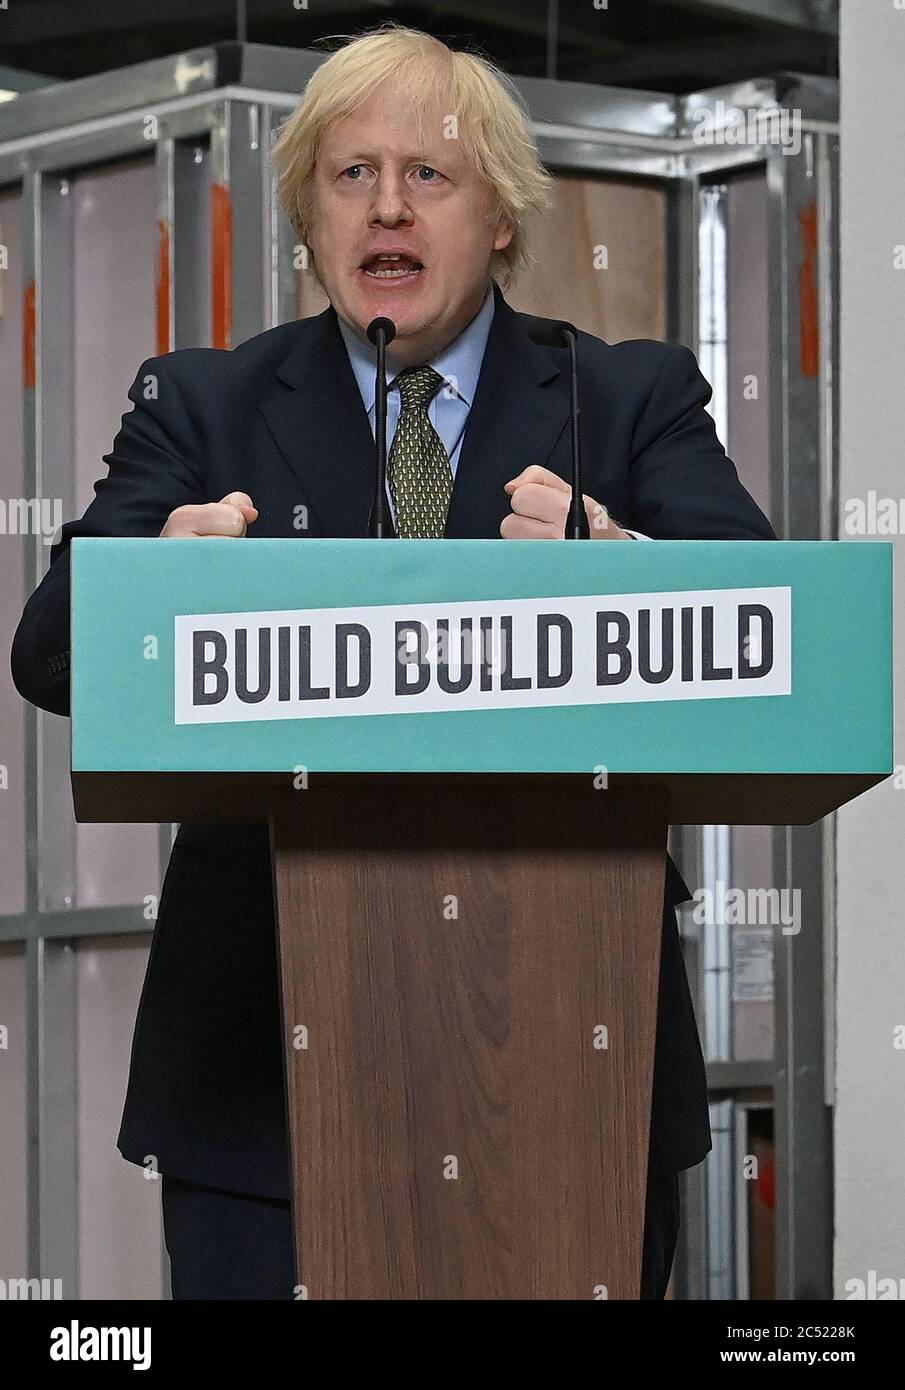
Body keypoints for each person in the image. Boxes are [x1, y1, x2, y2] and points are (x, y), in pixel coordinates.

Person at [10, 24, 775, 1299]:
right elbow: (46, 653)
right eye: (350, 174)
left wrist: (613, 561)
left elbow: (765, 631)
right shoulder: (202, 407)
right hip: (263, 1076)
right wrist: (150, 585)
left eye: (430, 174)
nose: (387, 205)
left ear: (504, 220)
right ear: (306, 218)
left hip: (563, 1059)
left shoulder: (626, 399)